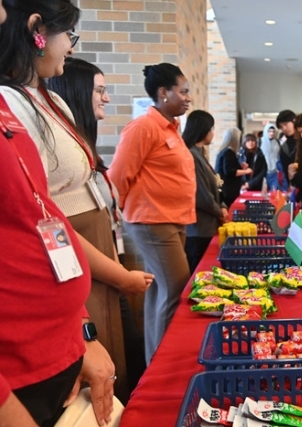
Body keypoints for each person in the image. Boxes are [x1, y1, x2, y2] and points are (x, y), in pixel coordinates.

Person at [0, 0, 152, 402]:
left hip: (79, 253)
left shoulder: (49, 99)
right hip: (64, 258)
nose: (71, 46)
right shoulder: (10, 103)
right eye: (68, 35)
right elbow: (39, 214)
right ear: (36, 30)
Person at [48, 57, 148, 396]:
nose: (105, 98)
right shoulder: (57, 158)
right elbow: (60, 232)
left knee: (127, 359)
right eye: (99, 90)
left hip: (108, 269)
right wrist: (121, 275)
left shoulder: (85, 148)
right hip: (88, 279)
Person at [109, 62, 195, 365]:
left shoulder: (170, 127)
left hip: (172, 220)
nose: (187, 98)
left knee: (161, 289)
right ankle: (165, 365)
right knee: (175, 289)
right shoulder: (144, 127)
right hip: (153, 221)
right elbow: (118, 177)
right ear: (163, 92)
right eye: (182, 92)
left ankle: (155, 359)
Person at [182, 110, 228, 273]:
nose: (213, 133)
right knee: (199, 273)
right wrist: (219, 211)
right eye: (212, 129)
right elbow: (200, 194)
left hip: (207, 224)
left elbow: (216, 184)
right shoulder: (191, 155)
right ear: (203, 130)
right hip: (198, 229)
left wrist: (222, 205)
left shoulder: (200, 153)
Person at [216, 126, 252, 206]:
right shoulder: (229, 152)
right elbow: (230, 171)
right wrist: (246, 171)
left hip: (225, 189)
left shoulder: (224, 151)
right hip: (228, 191)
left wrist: (241, 168)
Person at [276, 109, 298, 190]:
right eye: (281, 127)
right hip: (295, 186)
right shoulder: (285, 147)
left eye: (286, 124)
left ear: (294, 121)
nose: (284, 128)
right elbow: (285, 171)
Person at [260, 123, 280, 191]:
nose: (271, 133)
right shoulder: (260, 141)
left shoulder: (277, 142)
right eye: (269, 131)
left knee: (274, 193)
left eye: (273, 131)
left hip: (275, 173)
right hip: (263, 173)